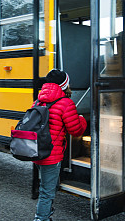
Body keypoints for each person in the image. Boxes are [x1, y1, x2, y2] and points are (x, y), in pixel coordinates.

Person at [33, 69, 87, 221]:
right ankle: (41, 218)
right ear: (64, 85)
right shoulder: (65, 103)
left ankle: (45, 216)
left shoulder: (38, 101)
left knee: (47, 185)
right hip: (51, 155)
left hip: (37, 151)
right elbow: (75, 130)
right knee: (46, 192)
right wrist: (81, 119)